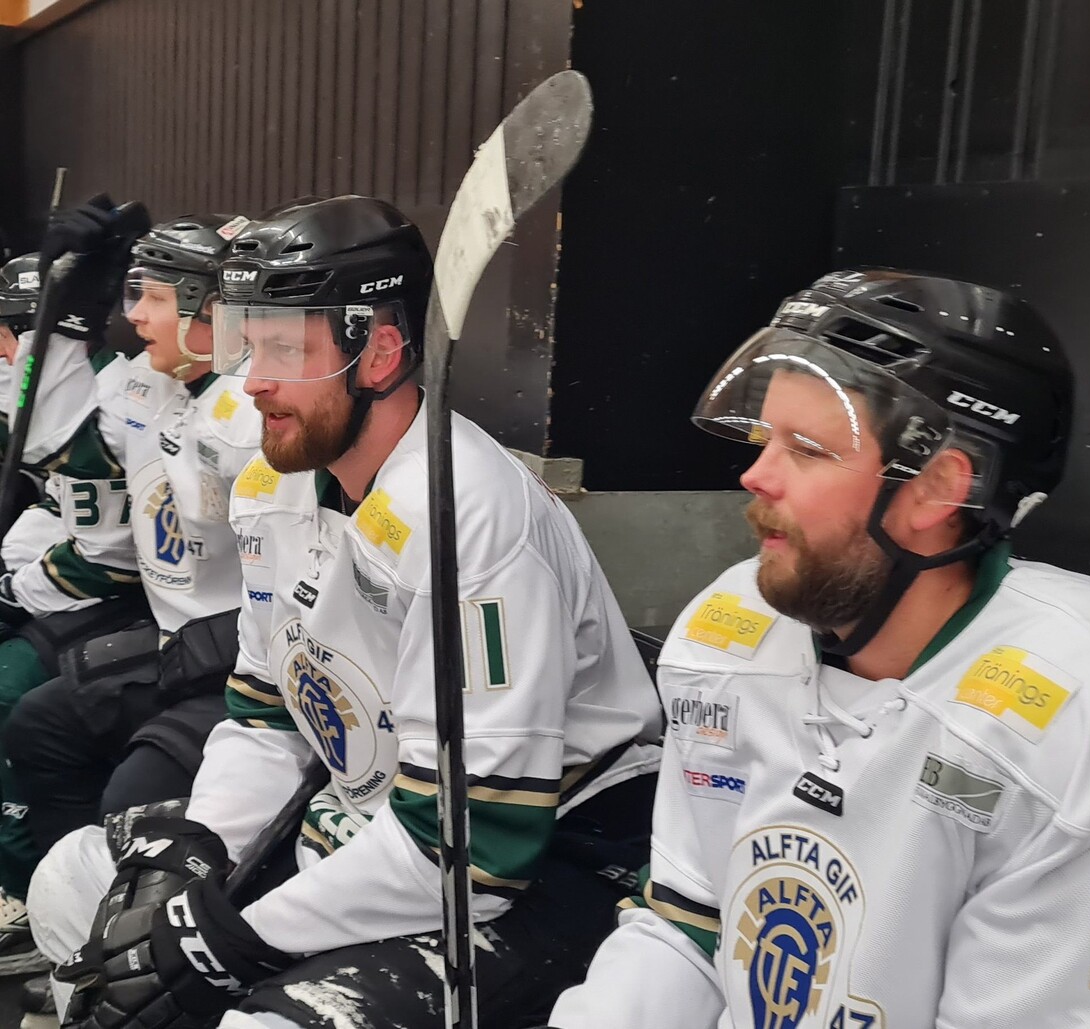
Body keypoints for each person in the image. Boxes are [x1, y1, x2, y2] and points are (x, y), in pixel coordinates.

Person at [27, 194, 663, 1029]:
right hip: (370, 817)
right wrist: (197, 856)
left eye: (286, 350)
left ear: (379, 353)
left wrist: (234, 938)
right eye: (249, 343)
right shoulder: (275, 485)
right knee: (79, 881)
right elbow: (266, 718)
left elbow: (476, 851)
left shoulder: (469, 515)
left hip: (549, 855)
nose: (253, 380)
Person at [549, 270, 1090, 1028]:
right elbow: (689, 926)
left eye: (806, 449)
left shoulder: (1078, 707)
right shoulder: (728, 637)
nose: (755, 474)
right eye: (764, 438)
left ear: (937, 487)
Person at [1, 205, 261, 894]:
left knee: (132, 797)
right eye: (130, 295)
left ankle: (133, 923)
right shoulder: (152, 382)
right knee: (39, 727)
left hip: (241, 659)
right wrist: (68, 312)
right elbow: (51, 438)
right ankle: (60, 900)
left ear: (214, 310)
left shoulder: (251, 413)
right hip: (175, 644)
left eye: (153, 298)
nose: (135, 316)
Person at [0, 248, 150, 976]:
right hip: (91, 590)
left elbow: (106, 559)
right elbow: (52, 511)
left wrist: (13, 589)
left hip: (130, 603)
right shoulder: (56, 391)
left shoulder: (112, 400)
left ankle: (25, 891)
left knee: (11, 691)